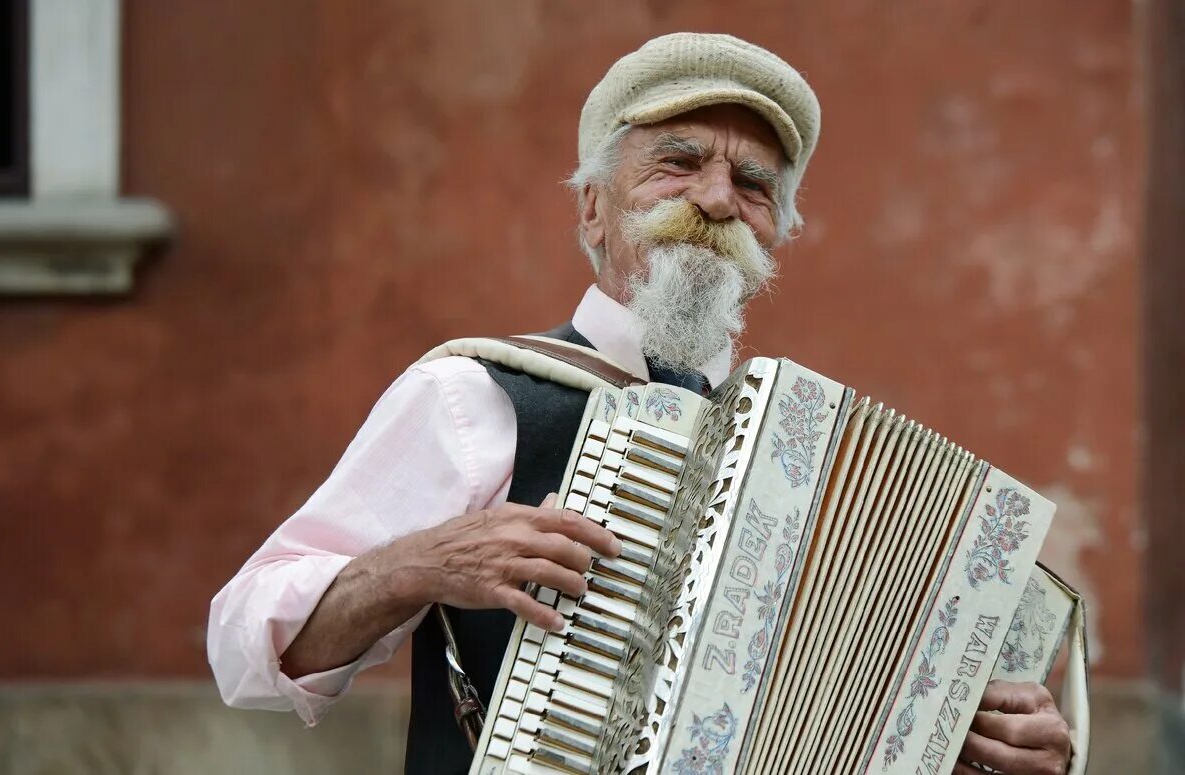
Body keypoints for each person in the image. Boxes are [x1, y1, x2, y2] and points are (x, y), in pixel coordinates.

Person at [208, 32, 1073, 775]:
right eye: (679, 161)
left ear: (772, 232)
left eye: (754, 183)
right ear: (593, 207)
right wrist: (421, 561)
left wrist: (987, 740)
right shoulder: (474, 395)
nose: (715, 199)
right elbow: (241, 647)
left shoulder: (813, 470)